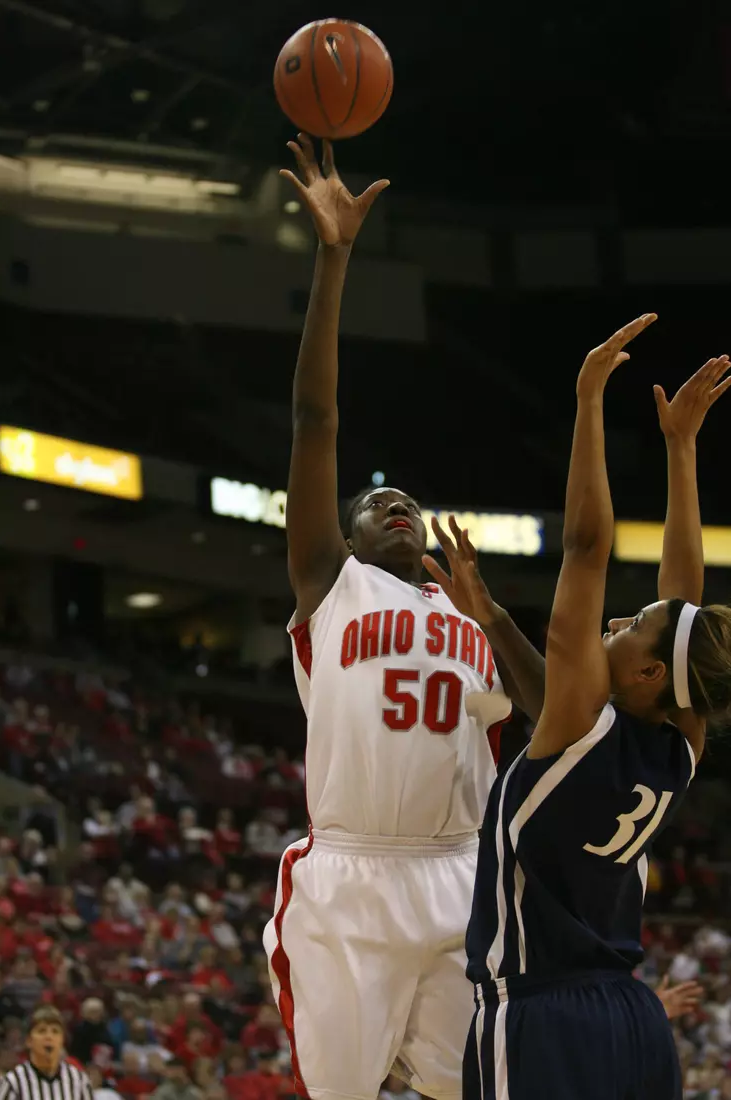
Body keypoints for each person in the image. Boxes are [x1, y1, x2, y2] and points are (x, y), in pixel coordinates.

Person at [263, 132, 547, 1100]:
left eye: (411, 506)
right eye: (376, 503)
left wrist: (498, 616)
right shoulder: (329, 581)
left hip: (459, 870)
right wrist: (335, 255)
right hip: (349, 871)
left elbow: (552, 726)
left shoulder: (466, 609)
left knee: (465, 1085)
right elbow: (315, 421)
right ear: (342, 532)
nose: (399, 506)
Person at [463, 316, 731, 1099]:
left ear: (648, 672)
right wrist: (680, 451)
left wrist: (587, 400)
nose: (616, 619)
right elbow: (682, 603)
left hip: (541, 1016)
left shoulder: (582, 721)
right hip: (631, 1020)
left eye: (631, 626)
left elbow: (585, 549)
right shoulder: (677, 743)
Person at [0, 1005, 93, 1100]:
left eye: (55, 1031)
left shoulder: (79, 1080)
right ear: (29, 1041)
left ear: (62, 1040)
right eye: (42, 1031)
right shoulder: (13, 1082)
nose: (49, 1037)